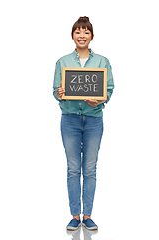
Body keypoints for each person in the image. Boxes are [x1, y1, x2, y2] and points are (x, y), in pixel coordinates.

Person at [53, 16, 114, 231]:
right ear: (72, 36)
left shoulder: (102, 62)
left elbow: (109, 89)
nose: (82, 35)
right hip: (69, 119)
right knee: (72, 169)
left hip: (94, 120)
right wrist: (60, 93)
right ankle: (74, 215)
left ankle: (87, 216)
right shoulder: (62, 62)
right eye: (78, 32)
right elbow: (56, 91)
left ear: (92, 36)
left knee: (89, 168)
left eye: (86, 32)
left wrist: (99, 98)